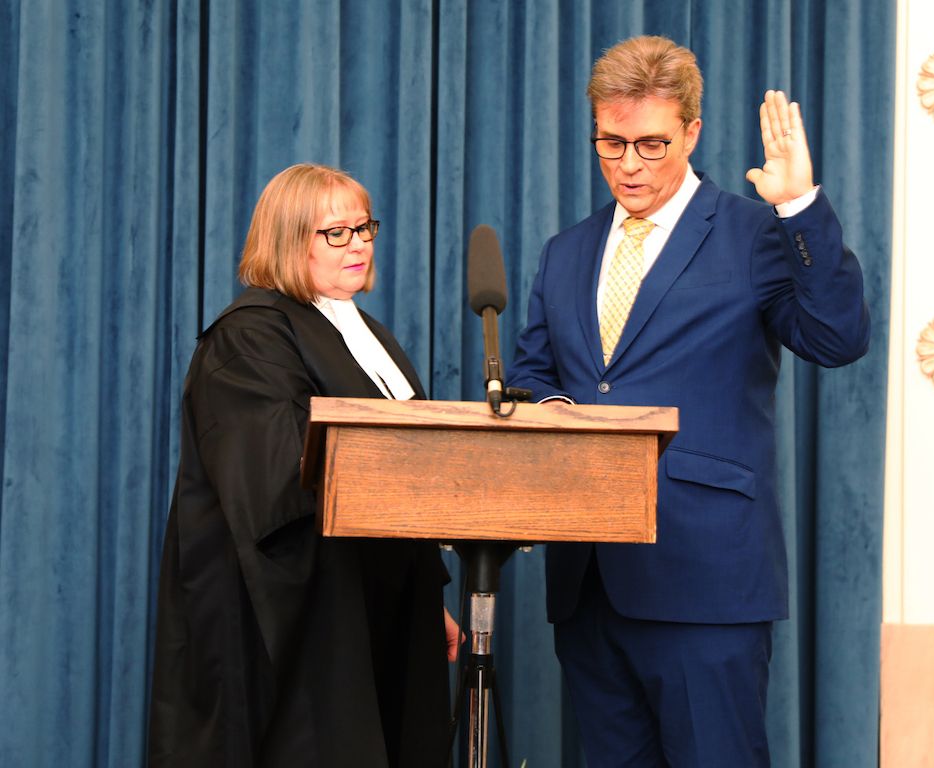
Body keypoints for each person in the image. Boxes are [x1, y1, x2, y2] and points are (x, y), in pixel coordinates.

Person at [508, 36, 870, 766]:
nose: (629, 165)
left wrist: (799, 206)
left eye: (652, 144)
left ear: (692, 132)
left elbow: (838, 338)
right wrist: (547, 410)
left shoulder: (755, 233)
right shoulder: (565, 250)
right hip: (587, 582)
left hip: (706, 577)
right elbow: (533, 374)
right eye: (611, 144)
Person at [149, 163, 459, 767]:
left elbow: (406, 474)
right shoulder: (250, 336)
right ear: (289, 241)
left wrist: (424, 596)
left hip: (376, 602)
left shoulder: (367, 334)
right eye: (335, 233)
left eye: (364, 228)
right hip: (294, 616)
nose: (358, 245)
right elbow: (275, 489)